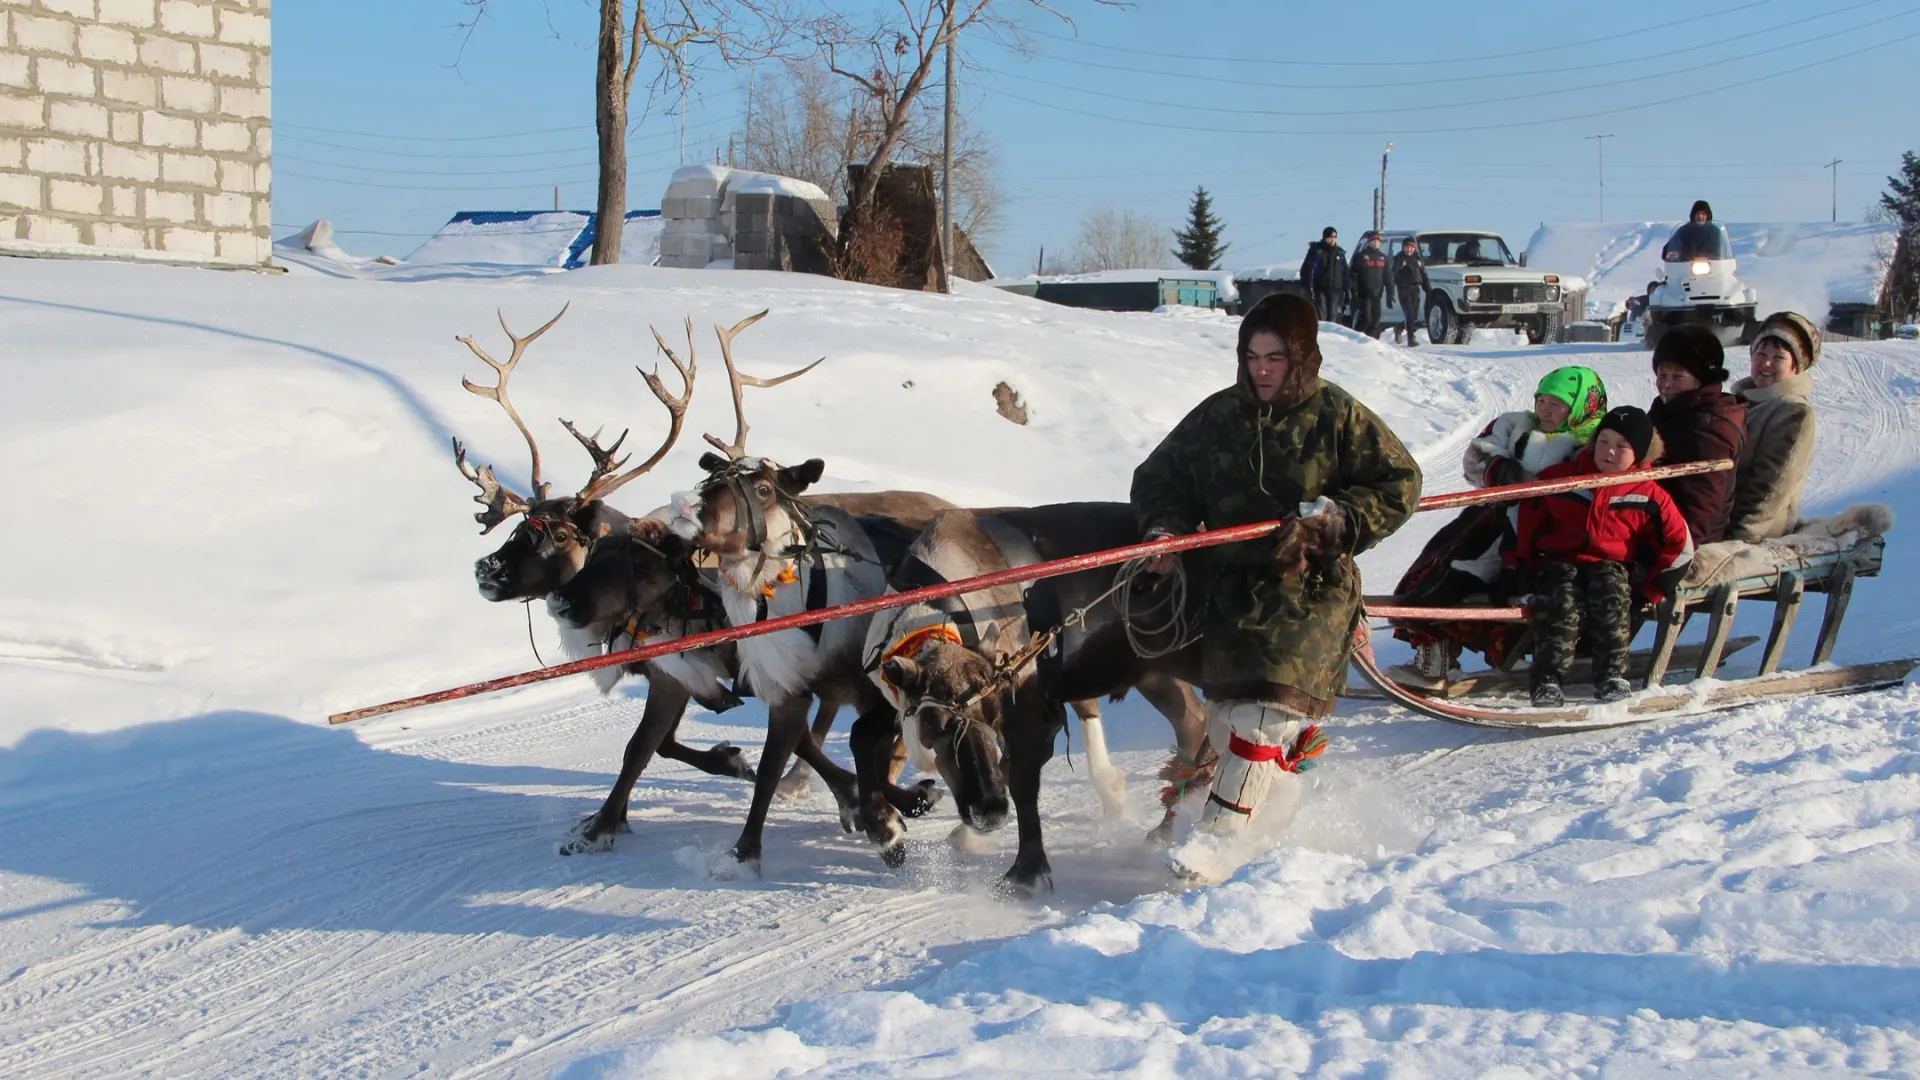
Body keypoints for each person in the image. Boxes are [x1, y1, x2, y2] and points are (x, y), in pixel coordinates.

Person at [1132, 292, 1421, 880]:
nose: (1261, 369)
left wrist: (1336, 521)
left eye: (1275, 358)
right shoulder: (1216, 416)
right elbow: (1161, 477)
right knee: (1227, 715)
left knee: (1267, 708)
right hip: (1231, 587)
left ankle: (1216, 843)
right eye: (1252, 356)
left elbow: (1401, 482)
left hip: (1312, 588)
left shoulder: (1338, 415)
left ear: (1303, 358)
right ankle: (1238, 815)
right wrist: (1165, 530)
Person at [1387, 365, 1609, 688]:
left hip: (1544, 536)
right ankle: (1432, 661)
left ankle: (1512, 657)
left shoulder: (1593, 444)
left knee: (1478, 586)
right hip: (1488, 522)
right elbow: (1477, 453)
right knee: (1432, 572)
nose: (1545, 411)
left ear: (1581, 406)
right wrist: (1499, 468)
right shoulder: (1515, 424)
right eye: (1542, 401)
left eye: (1557, 404)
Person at [1511, 405, 1694, 707]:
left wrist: (1651, 588)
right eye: (1603, 441)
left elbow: (1680, 545)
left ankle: (1611, 675)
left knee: (1613, 598)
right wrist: (1521, 567)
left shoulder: (1649, 494)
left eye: (1622, 446)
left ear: (1640, 454)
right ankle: (1548, 679)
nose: (1609, 452)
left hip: (1611, 564)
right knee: (1560, 601)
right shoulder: (1560, 479)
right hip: (1559, 559)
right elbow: (1527, 521)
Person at [1648, 324, 1747, 544]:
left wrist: (1670, 554)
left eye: (1678, 376)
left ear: (1702, 379)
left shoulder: (1710, 428)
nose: (1666, 384)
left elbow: (1701, 507)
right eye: (1662, 375)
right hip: (1655, 525)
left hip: (1683, 543)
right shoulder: (1672, 410)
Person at [1728, 311, 1819, 541]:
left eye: (1778, 357)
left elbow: (1772, 484)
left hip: (1760, 533)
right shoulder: (1740, 403)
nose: (1766, 363)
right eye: (1760, 353)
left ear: (1795, 367)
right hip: (1723, 521)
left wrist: (1741, 535)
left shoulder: (1793, 411)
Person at [1299, 226, 1349, 323]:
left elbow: (1345, 273)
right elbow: (1308, 269)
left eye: (1334, 237)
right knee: (1322, 315)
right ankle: (1322, 335)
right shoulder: (1317, 251)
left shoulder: (1339, 253)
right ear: (1325, 238)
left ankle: (1331, 336)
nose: (1332, 240)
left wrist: (1347, 290)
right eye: (1330, 237)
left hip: (1335, 288)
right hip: (1320, 288)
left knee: (1333, 316)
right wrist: (1308, 285)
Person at [1349, 232, 1390, 338]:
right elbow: (1353, 274)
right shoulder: (1361, 256)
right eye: (1374, 241)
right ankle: (1356, 335)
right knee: (1366, 318)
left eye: (1378, 241)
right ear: (1369, 242)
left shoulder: (1383, 257)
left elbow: (1388, 276)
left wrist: (1390, 292)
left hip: (1377, 292)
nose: (1376, 243)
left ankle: (1370, 339)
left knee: (1376, 317)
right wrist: (1354, 289)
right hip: (1364, 292)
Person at [1390, 236, 1429, 345]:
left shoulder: (1418, 259)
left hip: (1415, 289)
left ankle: (1399, 327)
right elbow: (1393, 273)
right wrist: (1391, 290)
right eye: (1407, 247)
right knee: (1410, 314)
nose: (1409, 250)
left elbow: (1424, 275)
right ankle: (1411, 339)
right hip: (1404, 289)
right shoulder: (1399, 259)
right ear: (1403, 248)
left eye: (1411, 247)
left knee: (1414, 316)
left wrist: (1428, 289)